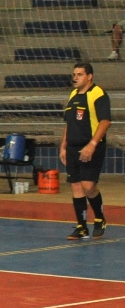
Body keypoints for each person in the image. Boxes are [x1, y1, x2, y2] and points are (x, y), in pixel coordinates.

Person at [61, 63, 111, 240]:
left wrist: (92, 144)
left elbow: (105, 121)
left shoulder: (98, 94)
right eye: (74, 74)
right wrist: (63, 146)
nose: (75, 77)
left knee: (88, 186)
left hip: (91, 146)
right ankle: (82, 227)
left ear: (89, 76)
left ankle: (100, 218)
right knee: (76, 186)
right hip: (73, 147)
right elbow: (69, 123)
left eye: (80, 74)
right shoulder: (73, 94)